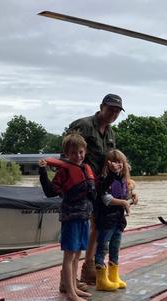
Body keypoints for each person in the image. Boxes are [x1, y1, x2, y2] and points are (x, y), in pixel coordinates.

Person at [65, 93, 137, 284]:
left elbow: (114, 159)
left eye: (117, 111)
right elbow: (68, 154)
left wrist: (126, 183)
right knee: (81, 231)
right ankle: (69, 280)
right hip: (83, 187)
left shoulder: (111, 132)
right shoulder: (84, 126)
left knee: (98, 227)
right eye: (110, 109)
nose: (113, 113)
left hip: (101, 187)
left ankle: (88, 269)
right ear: (101, 107)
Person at [38, 133, 95, 301]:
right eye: (74, 153)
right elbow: (49, 191)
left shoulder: (85, 169)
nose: (78, 156)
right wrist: (42, 171)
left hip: (84, 217)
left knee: (78, 254)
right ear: (66, 154)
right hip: (71, 218)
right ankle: (70, 294)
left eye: (81, 152)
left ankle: (73, 287)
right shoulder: (64, 172)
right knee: (69, 255)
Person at [93, 149, 136, 291]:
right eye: (114, 162)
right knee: (102, 247)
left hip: (118, 220)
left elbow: (125, 197)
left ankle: (114, 276)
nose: (117, 165)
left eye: (120, 162)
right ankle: (101, 279)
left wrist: (132, 198)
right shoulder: (103, 180)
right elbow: (106, 199)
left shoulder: (123, 180)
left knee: (115, 247)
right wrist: (123, 203)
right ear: (107, 164)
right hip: (106, 220)